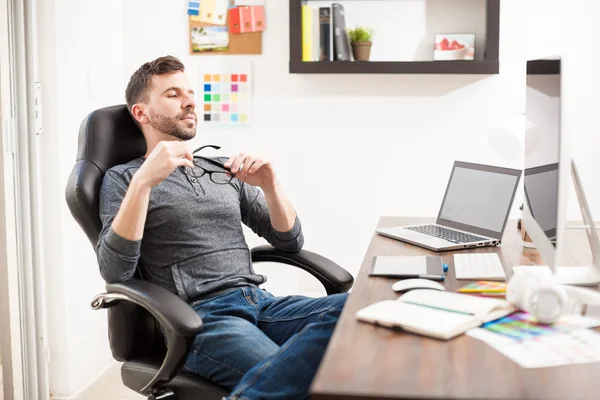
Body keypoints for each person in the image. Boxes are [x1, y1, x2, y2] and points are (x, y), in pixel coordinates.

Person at [96, 55, 348, 400]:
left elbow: (289, 241)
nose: (189, 101)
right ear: (141, 113)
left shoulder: (221, 169)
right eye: (172, 95)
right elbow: (115, 270)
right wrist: (143, 184)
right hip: (204, 319)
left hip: (261, 303)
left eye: (189, 92)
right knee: (290, 379)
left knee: (360, 312)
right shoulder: (124, 178)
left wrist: (271, 185)